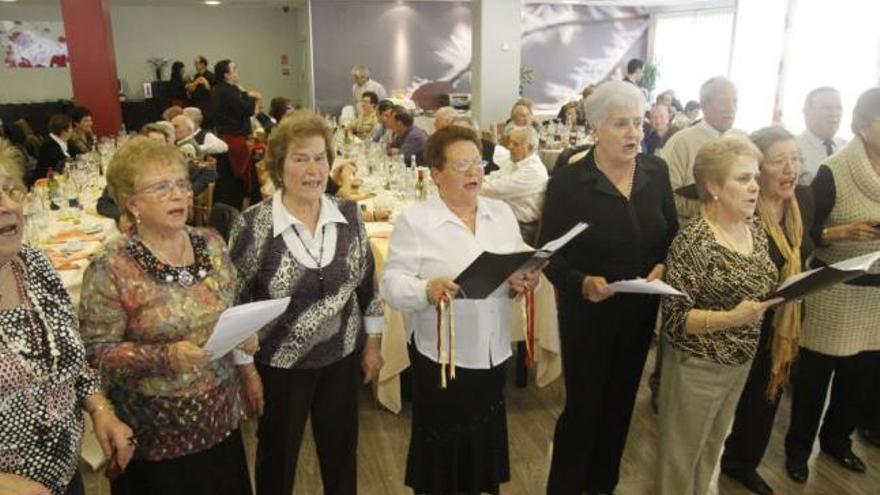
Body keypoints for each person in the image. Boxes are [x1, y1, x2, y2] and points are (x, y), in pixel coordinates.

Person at [80, 137, 256, 495]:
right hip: (153, 443)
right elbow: (96, 353)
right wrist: (165, 357)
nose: (178, 195)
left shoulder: (212, 244)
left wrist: (246, 352)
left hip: (220, 424)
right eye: (161, 187)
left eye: (181, 184)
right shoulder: (112, 266)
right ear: (132, 203)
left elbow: (233, 311)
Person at [380, 125, 542, 495]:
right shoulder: (415, 220)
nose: (475, 173)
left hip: (492, 350)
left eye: (479, 163)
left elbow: (517, 261)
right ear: (436, 174)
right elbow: (391, 285)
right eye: (462, 165)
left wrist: (524, 280)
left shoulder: (500, 213)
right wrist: (426, 288)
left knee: (481, 457)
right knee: (443, 466)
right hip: (443, 359)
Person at [228, 112, 383, 495]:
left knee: (341, 457)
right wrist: (246, 371)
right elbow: (235, 301)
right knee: (277, 461)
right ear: (279, 166)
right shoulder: (254, 225)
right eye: (300, 158)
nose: (313, 169)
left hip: (342, 359)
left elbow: (367, 286)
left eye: (320, 158)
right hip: (280, 366)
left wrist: (373, 345)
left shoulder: (348, 214)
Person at [541, 80, 678, 495]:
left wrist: (663, 264)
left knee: (620, 408)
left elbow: (671, 233)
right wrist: (581, 283)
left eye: (638, 123)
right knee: (584, 408)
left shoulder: (656, 172)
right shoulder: (570, 182)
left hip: (640, 310)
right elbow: (548, 254)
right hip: (588, 313)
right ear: (596, 127)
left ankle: (603, 486)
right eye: (621, 124)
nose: (635, 133)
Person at [0, 138, 134, 495]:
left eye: (10, 189)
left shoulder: (35, 265)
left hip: (65, 478)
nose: (6, 205)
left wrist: (99, 409)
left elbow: (71, 356)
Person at [657, 136, 780, 495]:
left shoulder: (753, 227)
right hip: (698, 365)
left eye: (755, 177)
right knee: (679, 459)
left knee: (711, 448)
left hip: (740, 360)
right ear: (712, 186)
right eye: (742, 179)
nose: (755, 186)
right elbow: (677, 319)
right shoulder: (694, 242)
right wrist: (732, 318)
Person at [784, 87, 880, 484]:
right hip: (834, 288)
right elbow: (805, 234)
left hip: (875, 296)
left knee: (860, 378)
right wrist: (844, 232)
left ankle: (838, 442)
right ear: (863, 125)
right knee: (814, 380)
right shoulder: (835, 169)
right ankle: (797, 450)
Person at [720, 126, 815, 495]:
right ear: (757, 169)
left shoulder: (803, 200)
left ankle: (742, 462)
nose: (791, 168)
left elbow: (810, 243)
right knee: (729, 398)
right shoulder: (742, 208)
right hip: (742, 319)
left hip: (783, 322)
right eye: (780, 161)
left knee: (767, 394)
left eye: (795, 159)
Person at [662, 77, 744, 223]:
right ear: (704, 105)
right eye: (723, 102)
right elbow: (665, 198)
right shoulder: (681, 143)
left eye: (735, 101)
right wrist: (716, 210)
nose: (731, 108)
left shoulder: (743, 142)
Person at [481, 125, 548, 243]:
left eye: (516, 144)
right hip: (505, 218)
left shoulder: (534, 171)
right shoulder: (515, 161)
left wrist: (466, 186)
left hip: (522, 227)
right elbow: (494, 177)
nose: (509, 147)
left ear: (530, 148)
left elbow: (497, 189)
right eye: (510, 142)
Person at [212, 59, 259, 202]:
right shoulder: (227, 92)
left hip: (227, 135)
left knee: (230, 174)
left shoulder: (218, 89)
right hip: (234, 137)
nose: (237, 71)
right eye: (234, 69)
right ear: (226, 75)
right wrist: (245, 93)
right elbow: (248, 109)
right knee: (238, 174)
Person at [796, 86, 847, 185]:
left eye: (839, 108)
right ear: (806, 112)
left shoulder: (847, 147)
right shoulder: (794, 148)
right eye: (827, 108)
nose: (834, 113)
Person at [35, 113, 72, 181]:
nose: (72, 131)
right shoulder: (50, 145)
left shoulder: (62, 142)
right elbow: (60, 167)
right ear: (64, 131)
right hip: (46, 182)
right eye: (70, 128)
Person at [186, 56, 215, 124]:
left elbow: (213, 90)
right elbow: (192, 90)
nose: (195, 65)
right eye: (195, 63)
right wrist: (196, 82)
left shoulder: (211, 76)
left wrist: (205, 82)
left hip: (207, 104)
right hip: (197, 103)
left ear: (202, 64)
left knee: (207, 124)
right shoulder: (196, 76)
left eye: (196, 63)